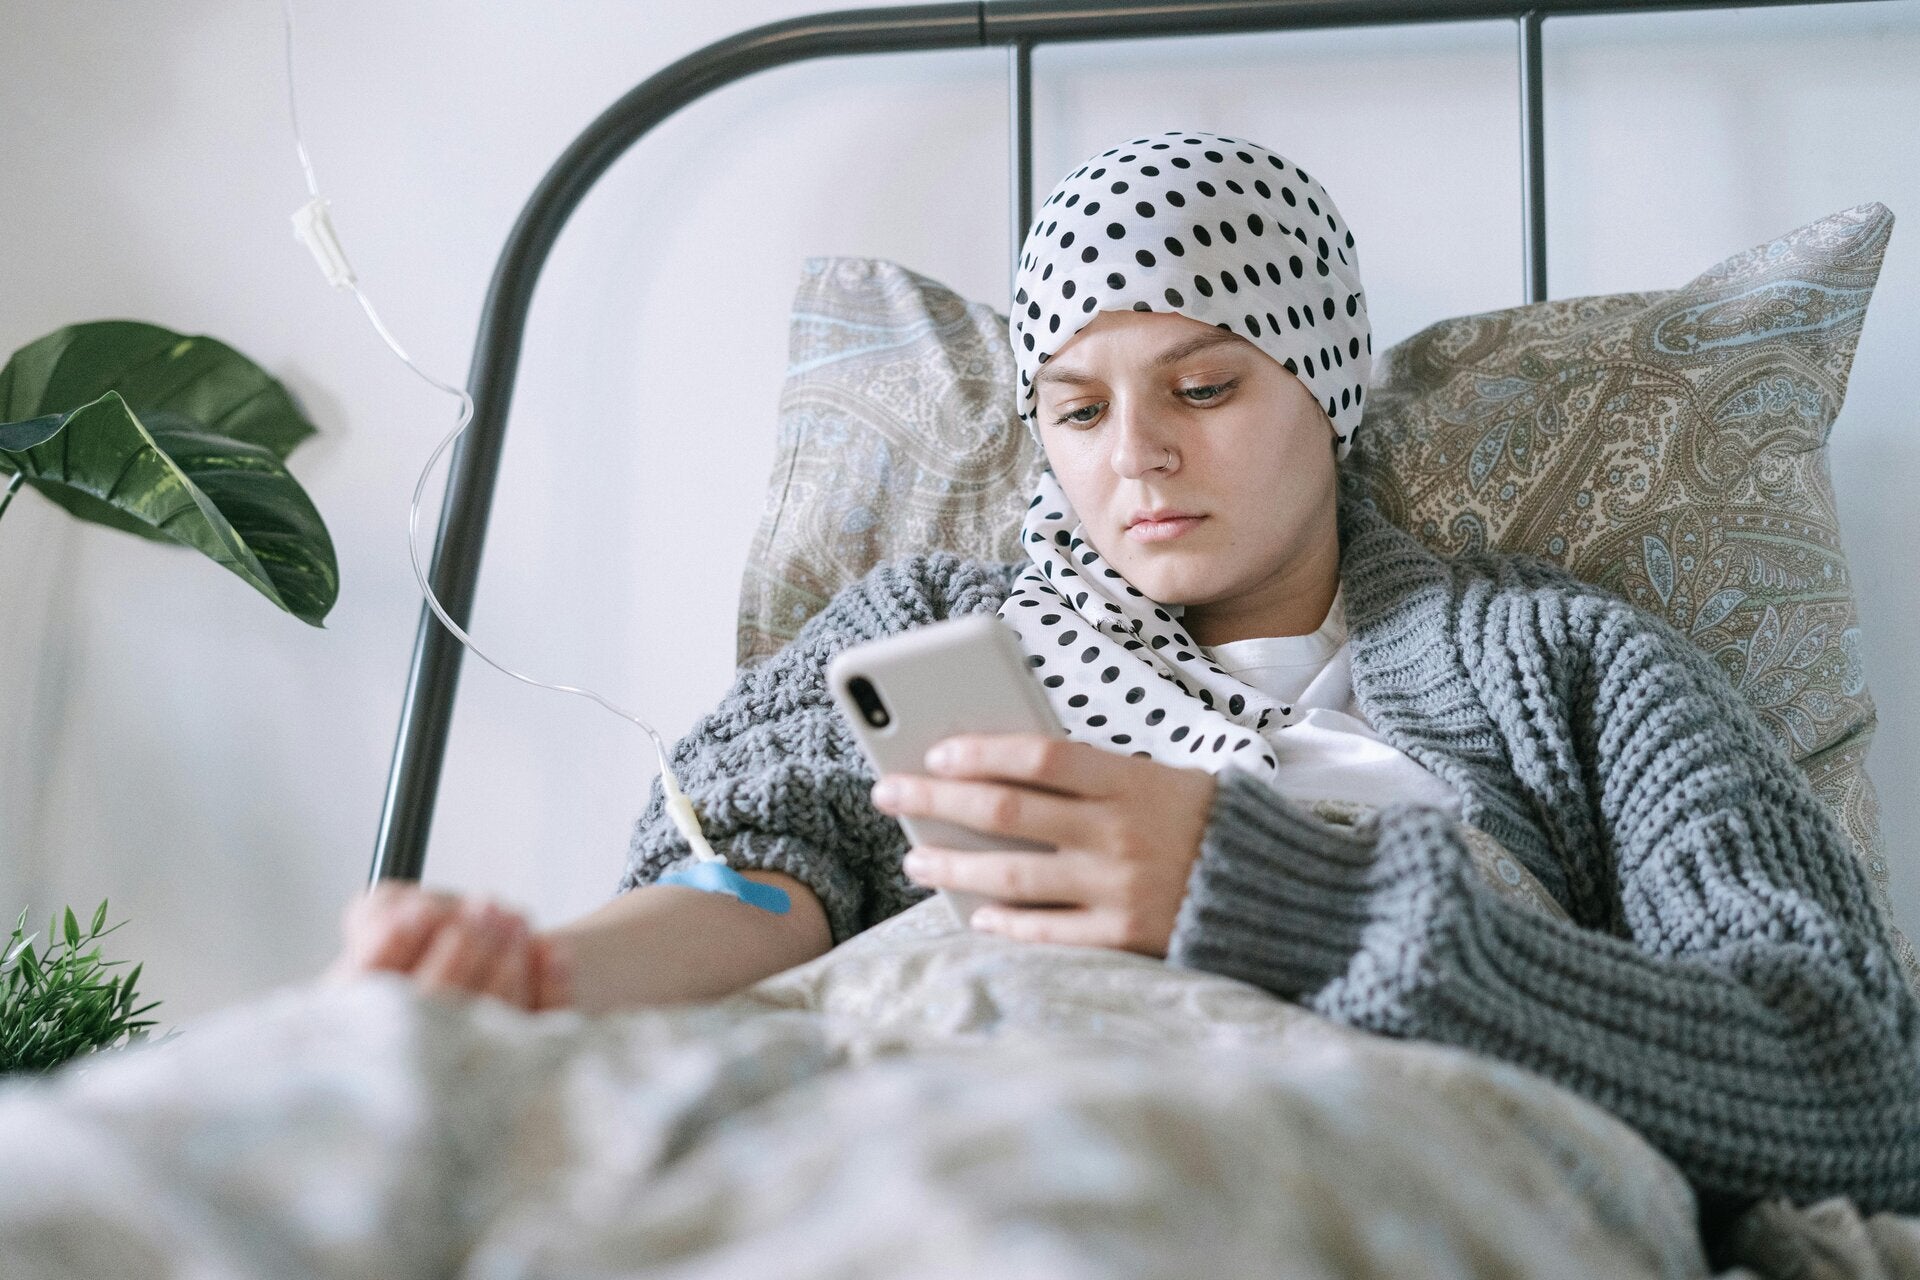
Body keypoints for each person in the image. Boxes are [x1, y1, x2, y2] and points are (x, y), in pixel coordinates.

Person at [330, 131, 1920, 1222]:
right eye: (1076, 411)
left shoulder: (1566, 663)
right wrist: (543, 982)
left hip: (1315, 1146)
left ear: (1328, 382)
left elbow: (1852, 1079)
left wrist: (1254, 889)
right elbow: (758, 886)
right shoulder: (932, 631)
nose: (1139, 454)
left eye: (1205, 384)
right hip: (883, 1107)